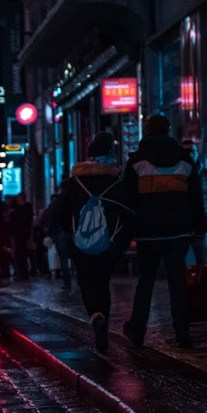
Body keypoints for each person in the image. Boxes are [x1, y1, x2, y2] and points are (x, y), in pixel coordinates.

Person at [122, 114, 207, 349]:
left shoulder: (136, 162)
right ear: (169, 129)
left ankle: (138, 330)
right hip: (178, 232)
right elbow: (196, 199)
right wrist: (200, 229)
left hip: (147, 233)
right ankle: (182, 332)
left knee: (146, 282)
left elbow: (126, 201)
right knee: (177, 283)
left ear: (146, 131)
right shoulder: (185, 161)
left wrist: (127, 233)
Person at [55, 131, 133, 351]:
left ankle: (95, 315)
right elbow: (127, 213)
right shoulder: (115, 180)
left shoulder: (74, 181)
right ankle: (104, 325)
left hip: (81, 244)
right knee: (103, 284)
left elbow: (60, 212)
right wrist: (122, 241)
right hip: (108, 244)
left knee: (86, 284)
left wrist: (69, 236)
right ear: (109, 152)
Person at [181, 138, 207, 265]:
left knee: (205, 260)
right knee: (188, 263)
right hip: (185, 224)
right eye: (187, 151)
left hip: (204, 222)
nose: (190, 154)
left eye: (193, 151)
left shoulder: (205, 174)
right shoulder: (179, 174)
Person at [8, 192, 33, 281]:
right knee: (20, 254)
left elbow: (23, 218)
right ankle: (22, 273)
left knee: (21, 254)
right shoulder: (19, 208)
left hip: (22, 234)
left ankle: (23, 273)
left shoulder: (25, 208)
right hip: (19, 233)